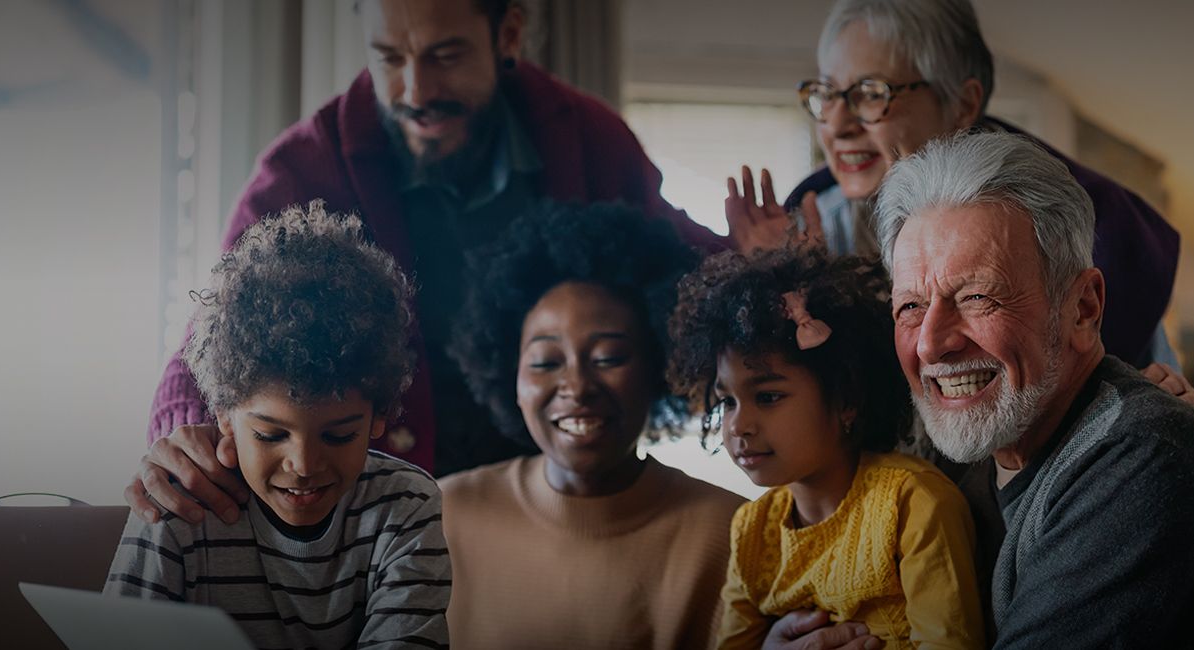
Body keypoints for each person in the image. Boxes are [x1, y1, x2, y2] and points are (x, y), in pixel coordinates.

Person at [128, 0, 792, 528]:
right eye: (390, 57)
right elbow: (217, 335)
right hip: (376, 518)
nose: (415, 89)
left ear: (507, 34)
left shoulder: (587, 136)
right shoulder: (304, 165)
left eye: (445, 56)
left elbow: (672, 267)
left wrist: (756, 266)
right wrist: (181, 429)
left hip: (558, 503)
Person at [877, 131, 1194, 647]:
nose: (930, 343)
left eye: (976, 297)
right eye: (910, 306)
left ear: (1083, 308)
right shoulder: (970, 455)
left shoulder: (1148, 459)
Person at [724, 0, 1185, 372]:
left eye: (871, 93)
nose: (838, 125)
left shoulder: (1089, 232)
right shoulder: (815, 229)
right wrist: (778, 283)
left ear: (963, 104)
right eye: (827, 94)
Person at [104, 202, 450, 649]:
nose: (304, 464)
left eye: (338, 435)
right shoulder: (179, 506)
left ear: (378, 416)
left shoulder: (404, 507)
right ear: (224, 416)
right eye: (270, 435)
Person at [438, 201, 745, 648]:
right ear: (511, 377)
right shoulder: (441, 518)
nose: (577, 386)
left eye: (608, 358)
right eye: (546, 361)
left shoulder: (731, 533)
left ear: (659, 366)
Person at [668, 246, 985, 649]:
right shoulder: (751, 532)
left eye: (767, 397)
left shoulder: (912, 505)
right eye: (727, 401)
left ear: (845, 400)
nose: (738, 425)